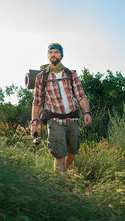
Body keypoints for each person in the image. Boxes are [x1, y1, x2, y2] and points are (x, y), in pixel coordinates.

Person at [30, 43, 92, 172]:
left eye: (56, 52)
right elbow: (37, 101)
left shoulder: (71, 75)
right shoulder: (41, 77)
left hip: (73, 120)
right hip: (55, 121)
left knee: (72, 154)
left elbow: (81, 95)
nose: (53, 54)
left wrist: (87, 112)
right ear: (48, 56)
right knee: (59, 157)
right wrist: (34, 122)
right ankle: (59, 188)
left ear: (61, 56)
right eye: (51, 52)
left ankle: (70, 185)